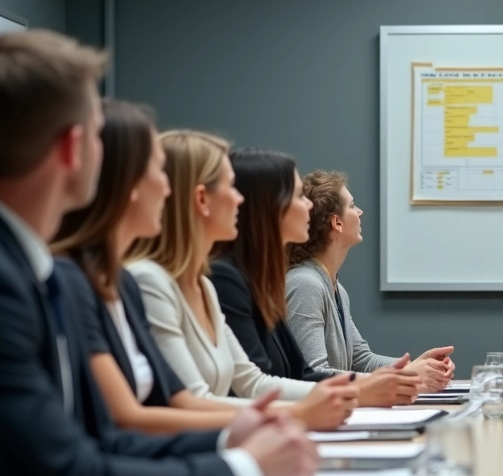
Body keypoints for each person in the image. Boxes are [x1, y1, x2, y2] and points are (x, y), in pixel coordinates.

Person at [0, 29, 317, 476]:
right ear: (75, 149)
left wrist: (227, 438)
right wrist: (243, 470)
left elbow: (107, 442)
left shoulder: (47, 276)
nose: (165, 186)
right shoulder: (15, 282)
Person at [126, 130, 358, 429]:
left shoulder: (206, 285)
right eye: (230, 187)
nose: (239, 199)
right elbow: (190, 401)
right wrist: (344, 396)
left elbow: (251, 381)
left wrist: (357, 390)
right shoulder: (154, 280)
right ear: (201, 199)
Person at [51, 99, 244, 433]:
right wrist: (287, 420)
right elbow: (128, 420)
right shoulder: (85, 280)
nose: (168, 188)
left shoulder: (124, 283)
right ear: (129, 183)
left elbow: (176, 399)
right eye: (158, 170)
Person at [209, 148, 429, 406]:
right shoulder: (301, 282)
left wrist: (405, 370)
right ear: (270, 207)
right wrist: (376, 385)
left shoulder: (273, 282)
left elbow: (317, 368)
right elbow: (272, 382)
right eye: (299, 195)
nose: (310, 206)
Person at [287, 169, 454, 391]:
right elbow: (314, 374)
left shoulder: (336, 289)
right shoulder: (305, 284)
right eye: (352, 205)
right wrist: (406, 375)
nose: (360, 211)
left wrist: (416, 366)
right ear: (336, 223)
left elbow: (361, 360)